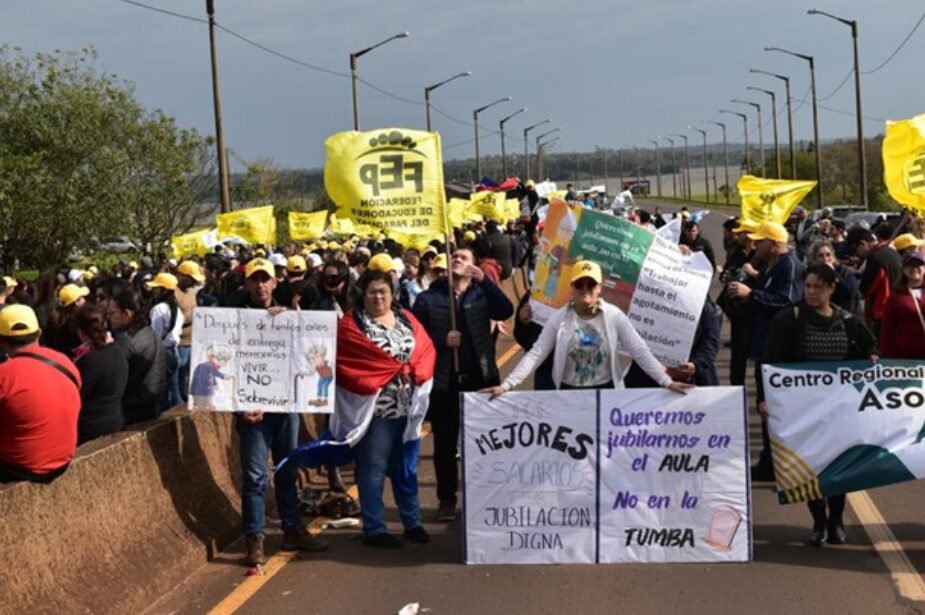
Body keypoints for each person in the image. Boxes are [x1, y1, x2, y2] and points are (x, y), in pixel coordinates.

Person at [759, 264, 878, 546]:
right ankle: (818, 520)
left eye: (818, 287)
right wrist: (763, 398)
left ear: (831, 288)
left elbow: (870, 347)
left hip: (840, 410)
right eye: (808, 286)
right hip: (802, 411)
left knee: (839, 464)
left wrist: (872, 356)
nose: (811, 292)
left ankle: (836, 519)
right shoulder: (789, 319)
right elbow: (769, 362)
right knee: (810, 465)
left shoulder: (848, 321)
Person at [234, 258, 329, 566]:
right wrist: (240, 408)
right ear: (247, 284)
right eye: (255, 279)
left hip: (285, 407)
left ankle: (292, 528)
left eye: (266, 279)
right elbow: (228, 369)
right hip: (254, 413)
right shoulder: (233, 319)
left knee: (287, 469)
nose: (261, 285)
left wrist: (294, 321)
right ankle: (256, 538)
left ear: (276, 283)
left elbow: (312, 354)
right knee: (255, 477)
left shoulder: (287, 316)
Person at [333, 270, 437, 547]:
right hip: (375, 410)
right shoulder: (352, 325)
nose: (378, 297)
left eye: (383, 292)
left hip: (407, 408)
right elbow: (347, 364)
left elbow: (426, 350)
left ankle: (412, 522)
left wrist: (414, 371)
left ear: (392, 294)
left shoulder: (407, 318)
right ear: (362, 295)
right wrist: (386, 372)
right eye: (372, 292)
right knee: (374, 467)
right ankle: (374, 528)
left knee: (406, 468)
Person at [412, 247, 514, 522]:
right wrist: (442, 339)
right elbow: (414, 338)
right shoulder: (427, 298)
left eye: (465, 257)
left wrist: (486, 281)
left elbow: (506, 309)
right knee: (444, 445)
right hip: (445, 383)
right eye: (454, 257)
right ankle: (447, 499)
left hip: (481, 381)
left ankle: (483, 497)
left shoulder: (481, 293)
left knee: (484, 443)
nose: (458, 259)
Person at [484, 260, 690, 394]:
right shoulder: (559, 319)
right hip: (568, 393)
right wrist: (507, 385)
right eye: (579, 284)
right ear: (572, 287)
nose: (585, 289)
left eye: (590, 284)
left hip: (606, 391)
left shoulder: (614, 316)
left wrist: (666, 382)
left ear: (599, 287)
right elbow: (536, 354)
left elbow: (639, 350)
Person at [726, 221, 802, 482]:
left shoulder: (788, 265)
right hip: (764, 347)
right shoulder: (770, 266)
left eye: (761, 241)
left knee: (777, 408)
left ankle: (783, 463)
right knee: (765, 407)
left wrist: (752, 294)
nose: (755, 245)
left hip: (779, 352)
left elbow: (786, 300)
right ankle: (770, 461)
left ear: (775, 243)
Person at [0, 305, 81, 483]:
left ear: (2, 341)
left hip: (21, 467)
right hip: (63, 459)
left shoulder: (4, 375)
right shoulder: (64, 362)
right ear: (39, 333)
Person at [625, 299, 720, 387]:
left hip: (694, 380)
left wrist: (696, 365)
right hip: (647, 380)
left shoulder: (704, 308)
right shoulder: (643, 302)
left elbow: (710, 341)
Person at [106, 288, 167, 425]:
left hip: (134, 411)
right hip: (150, 406)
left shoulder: (129, 342)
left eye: (112, 313)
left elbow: (119, 381)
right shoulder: (148, 333)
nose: (109, 318)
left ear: (127, 314)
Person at [73, 304, 129, 444]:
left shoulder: (88, 361)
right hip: (115, 420)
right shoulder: (118, 349)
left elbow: (77, 394)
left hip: (91, 427)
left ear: (81, 332)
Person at [848, 225, 902, 338]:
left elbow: (866, 288)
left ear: (863, 244)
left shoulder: (875, 258)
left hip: (882, 313)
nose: (857, 254)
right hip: (898, 307)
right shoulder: (892, 252)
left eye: (855, 250)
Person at [147, 273, 184, 410]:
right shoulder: (176, 309)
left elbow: (154, 335)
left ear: (164, 290)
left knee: (164, 395)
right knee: (173, 390)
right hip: (174, 353)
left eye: (157, 288)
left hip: (162, 354)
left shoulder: (158, 309)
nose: (153, 290)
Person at [880, 251, 925, 359]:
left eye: (918, 265)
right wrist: (888, 355)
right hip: (907, 356)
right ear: (903, 269)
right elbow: (887, 329)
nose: (914, 268)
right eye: (910, 265)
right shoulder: (896, 297)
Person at [175, 261, 204, 402]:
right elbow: (174, 320)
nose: (193, 282)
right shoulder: (174, 294)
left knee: (190, 375)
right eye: (191, 279)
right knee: (179, 377)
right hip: (180, 344)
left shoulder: (191, 291)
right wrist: (192, 317)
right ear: (182, 276)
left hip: (192, 341)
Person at [809, 239, 862, 318]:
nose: (825, 259)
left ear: (833, 255)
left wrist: (834, 274)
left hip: (847, 315)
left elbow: (851, 293)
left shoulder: (844, 271)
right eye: (821, 255)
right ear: (815, 258)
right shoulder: (813, 274)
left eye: (828, 255)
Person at [46, 283, 89, 358]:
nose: (84, 300)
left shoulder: (55, 319)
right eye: (82, 298)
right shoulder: (75, 323)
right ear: (77, 302)